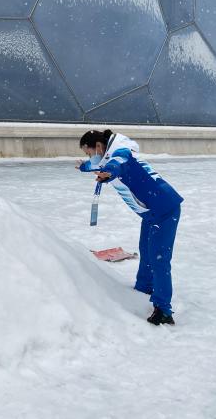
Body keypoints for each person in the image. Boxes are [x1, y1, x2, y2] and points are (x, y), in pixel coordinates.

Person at [77, 129, 183, 326]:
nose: (89, 157)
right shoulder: (107, 156)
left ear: (99, 147)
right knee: (147, 251)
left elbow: (119, 162)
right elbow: (101, 164)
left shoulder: (120, 152)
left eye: (88, 153)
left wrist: (111, 171)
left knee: (159, 257)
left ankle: (164, 310)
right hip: (151, 212)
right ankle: (144, 287)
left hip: (164, 209)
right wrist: (85, 167)